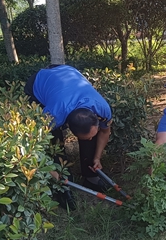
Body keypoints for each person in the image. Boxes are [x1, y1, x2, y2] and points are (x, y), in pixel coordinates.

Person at [24, 64, 112, 208]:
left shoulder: (102, 108)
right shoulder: (52, 116)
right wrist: (51, 169)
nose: (90, 139)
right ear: (69, 129)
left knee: (90, 136)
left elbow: (104, 131)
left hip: (66, 73)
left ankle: (90, 177)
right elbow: (36, 145)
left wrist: (96, 157)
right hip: (39, 83)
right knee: (54, 140)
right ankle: (62, 184)